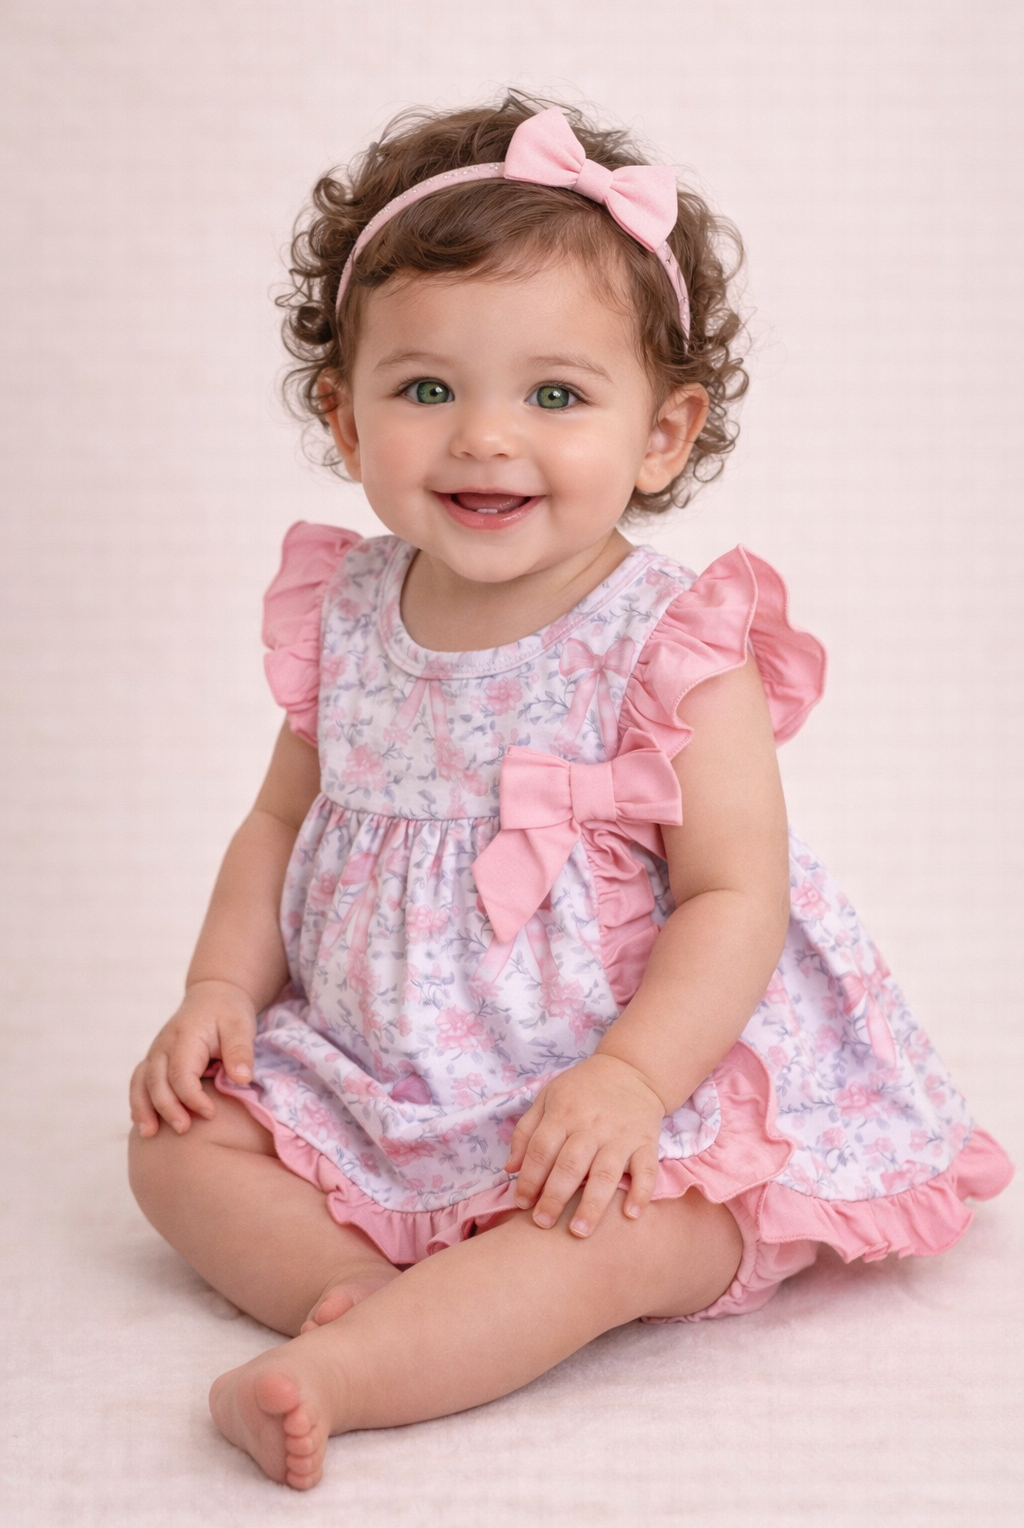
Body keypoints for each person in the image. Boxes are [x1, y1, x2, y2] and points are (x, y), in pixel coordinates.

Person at [127, 94, 1013, 1490]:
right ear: (343, 420)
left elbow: (736, 891)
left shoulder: (670, 644)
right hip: (384, 1065)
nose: (486, 437)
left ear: (662, 434)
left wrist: (628, 1080)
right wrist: (221, 992)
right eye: (427, 388)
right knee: (172, 1157)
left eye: (555, 393)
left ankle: (351, 1366)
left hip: (620, 1080)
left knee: (627, 1232)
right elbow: (280, 824)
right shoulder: (345, 612)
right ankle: (417, 1309)